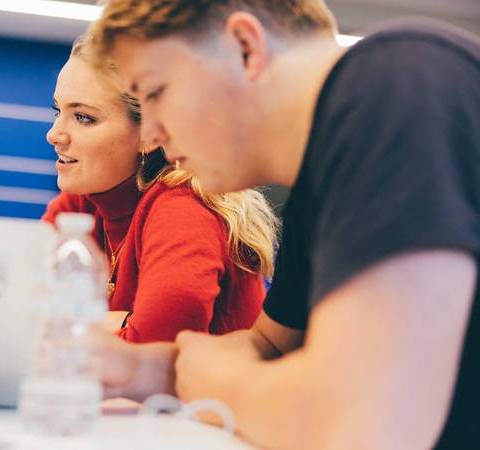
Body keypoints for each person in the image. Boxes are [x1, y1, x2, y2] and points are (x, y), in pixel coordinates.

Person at [88, 0, 480, 448]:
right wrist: (140, 371)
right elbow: (270, 347)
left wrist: (218, 386)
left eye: (155, 93)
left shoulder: (398, 84)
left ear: (244, 48)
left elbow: (359, 427)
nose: (151, 133)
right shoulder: (319, 179)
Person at [42, 35, 279, 344]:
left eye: (83, 118)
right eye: (57, 110)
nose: (54, 134)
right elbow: (17, 313)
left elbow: (152, 351)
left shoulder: (184, 209)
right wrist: (120, 323)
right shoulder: (79, 206)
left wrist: (78, 324)